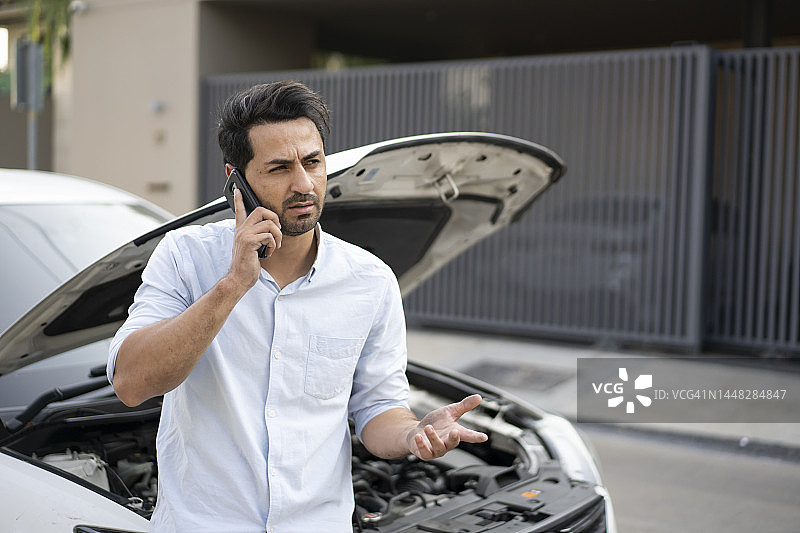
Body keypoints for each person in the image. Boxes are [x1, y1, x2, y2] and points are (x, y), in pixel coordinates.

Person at [107, 80, 488, 532]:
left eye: (313, 162)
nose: (304, 184)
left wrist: (413, 434)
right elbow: (132, 383)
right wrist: (232, 285)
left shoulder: (370, 280)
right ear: (237, 180)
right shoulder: (184, 257)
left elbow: (377, 408)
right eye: (279, 168)